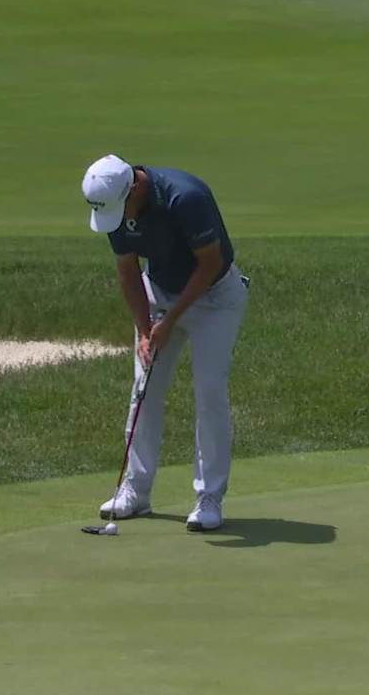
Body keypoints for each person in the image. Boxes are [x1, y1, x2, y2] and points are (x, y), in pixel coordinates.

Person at [80, 155, 249, 531]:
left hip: (215, 299)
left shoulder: (186, 198)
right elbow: (127, 271)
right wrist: (144, 329)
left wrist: (170, 321)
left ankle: (209, 498)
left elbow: (209, 264)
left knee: (209, 391)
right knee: (145, 389)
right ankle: (135, 492)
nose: (118, 219)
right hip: (159, 293)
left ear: (135, 188)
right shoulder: (116, 205)